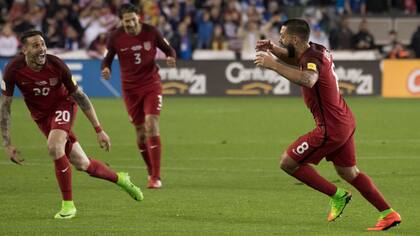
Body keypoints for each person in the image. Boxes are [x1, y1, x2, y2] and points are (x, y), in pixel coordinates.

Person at [254, 19, 401, 231]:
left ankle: (338, 195)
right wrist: (273, 49)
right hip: (344, 120)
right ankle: (389, 213)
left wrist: (274, 64)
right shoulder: (315, 49)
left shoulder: (311, 58)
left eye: (282, 36)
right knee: (349, 172)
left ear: (294, 39)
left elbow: (308, 79)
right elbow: (297, 59)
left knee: (288, 163)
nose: (280, 38)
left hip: (330, 128)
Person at [0, 30, 143, 219]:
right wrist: (7, 143)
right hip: (42, 118)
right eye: (35, 45)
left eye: (43, 44)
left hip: (64, 105)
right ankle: (121, 179)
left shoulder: (56, 64)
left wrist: (99, 129)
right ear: (24, 50)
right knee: (83, 164)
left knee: (54, 146)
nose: (42, 49)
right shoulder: (12, 69)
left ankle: (68, 206)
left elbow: (80, 97)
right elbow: (5, 107)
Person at [101, 3, 176, 189]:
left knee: (152, 123)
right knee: (141, 133)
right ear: (122, 21)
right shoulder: (115, 37)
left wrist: (170, 57)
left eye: (133, 20)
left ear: (139, 17)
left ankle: (156, 177)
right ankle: (150, 170)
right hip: (130, 90)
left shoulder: (151, 32)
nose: (131, 24)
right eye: (127, 21)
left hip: (151, 84)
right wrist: (106, 67)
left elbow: (169, 49)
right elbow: (108, 57)